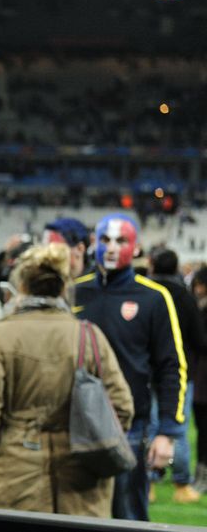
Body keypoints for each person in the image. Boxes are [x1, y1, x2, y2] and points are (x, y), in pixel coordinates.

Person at [0, 243, 134, 516]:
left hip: (11, 479)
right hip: (81, 482)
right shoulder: (89, 335)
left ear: (21, 286)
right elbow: (123, 407)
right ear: (63, 288)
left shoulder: (0, 335)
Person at [73, 214, 187, 521]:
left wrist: (168, 432)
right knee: (76, 516)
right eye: (104, 240)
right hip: (75, 424)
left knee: (129, 517)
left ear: (136, 249)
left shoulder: (154, 297)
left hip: (131, 429)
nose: (111, 248)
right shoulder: (74, 292)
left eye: (121, 240)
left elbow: (171, 367)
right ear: (93, 244)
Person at [145, 247, 206, 503]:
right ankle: (181, 483)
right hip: (181, 369)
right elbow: (200, 339)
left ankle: (149, 482)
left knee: (149, 425)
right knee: (176, 427)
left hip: (147, 370)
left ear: (153, 265)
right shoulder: (183, 295)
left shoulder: (144, 293)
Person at [191, 266, 207, 493]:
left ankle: (202, 476)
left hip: (203, 380)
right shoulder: (199, 308)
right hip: (200, 378)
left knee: (204, 430)